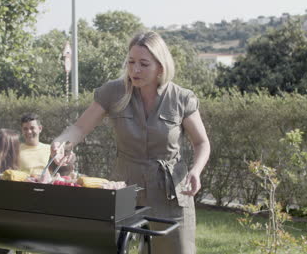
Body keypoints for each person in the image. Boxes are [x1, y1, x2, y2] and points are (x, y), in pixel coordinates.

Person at [51, 31, 210, 254]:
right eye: (131, 62)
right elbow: (78, 128)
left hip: (172, 195)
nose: (135, 70)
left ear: (160, 67)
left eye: (144, 64)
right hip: (125, 191)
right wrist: (61, 143)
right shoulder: (113, 92)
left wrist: (196, 170)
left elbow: (202, 143)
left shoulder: (181, 98)